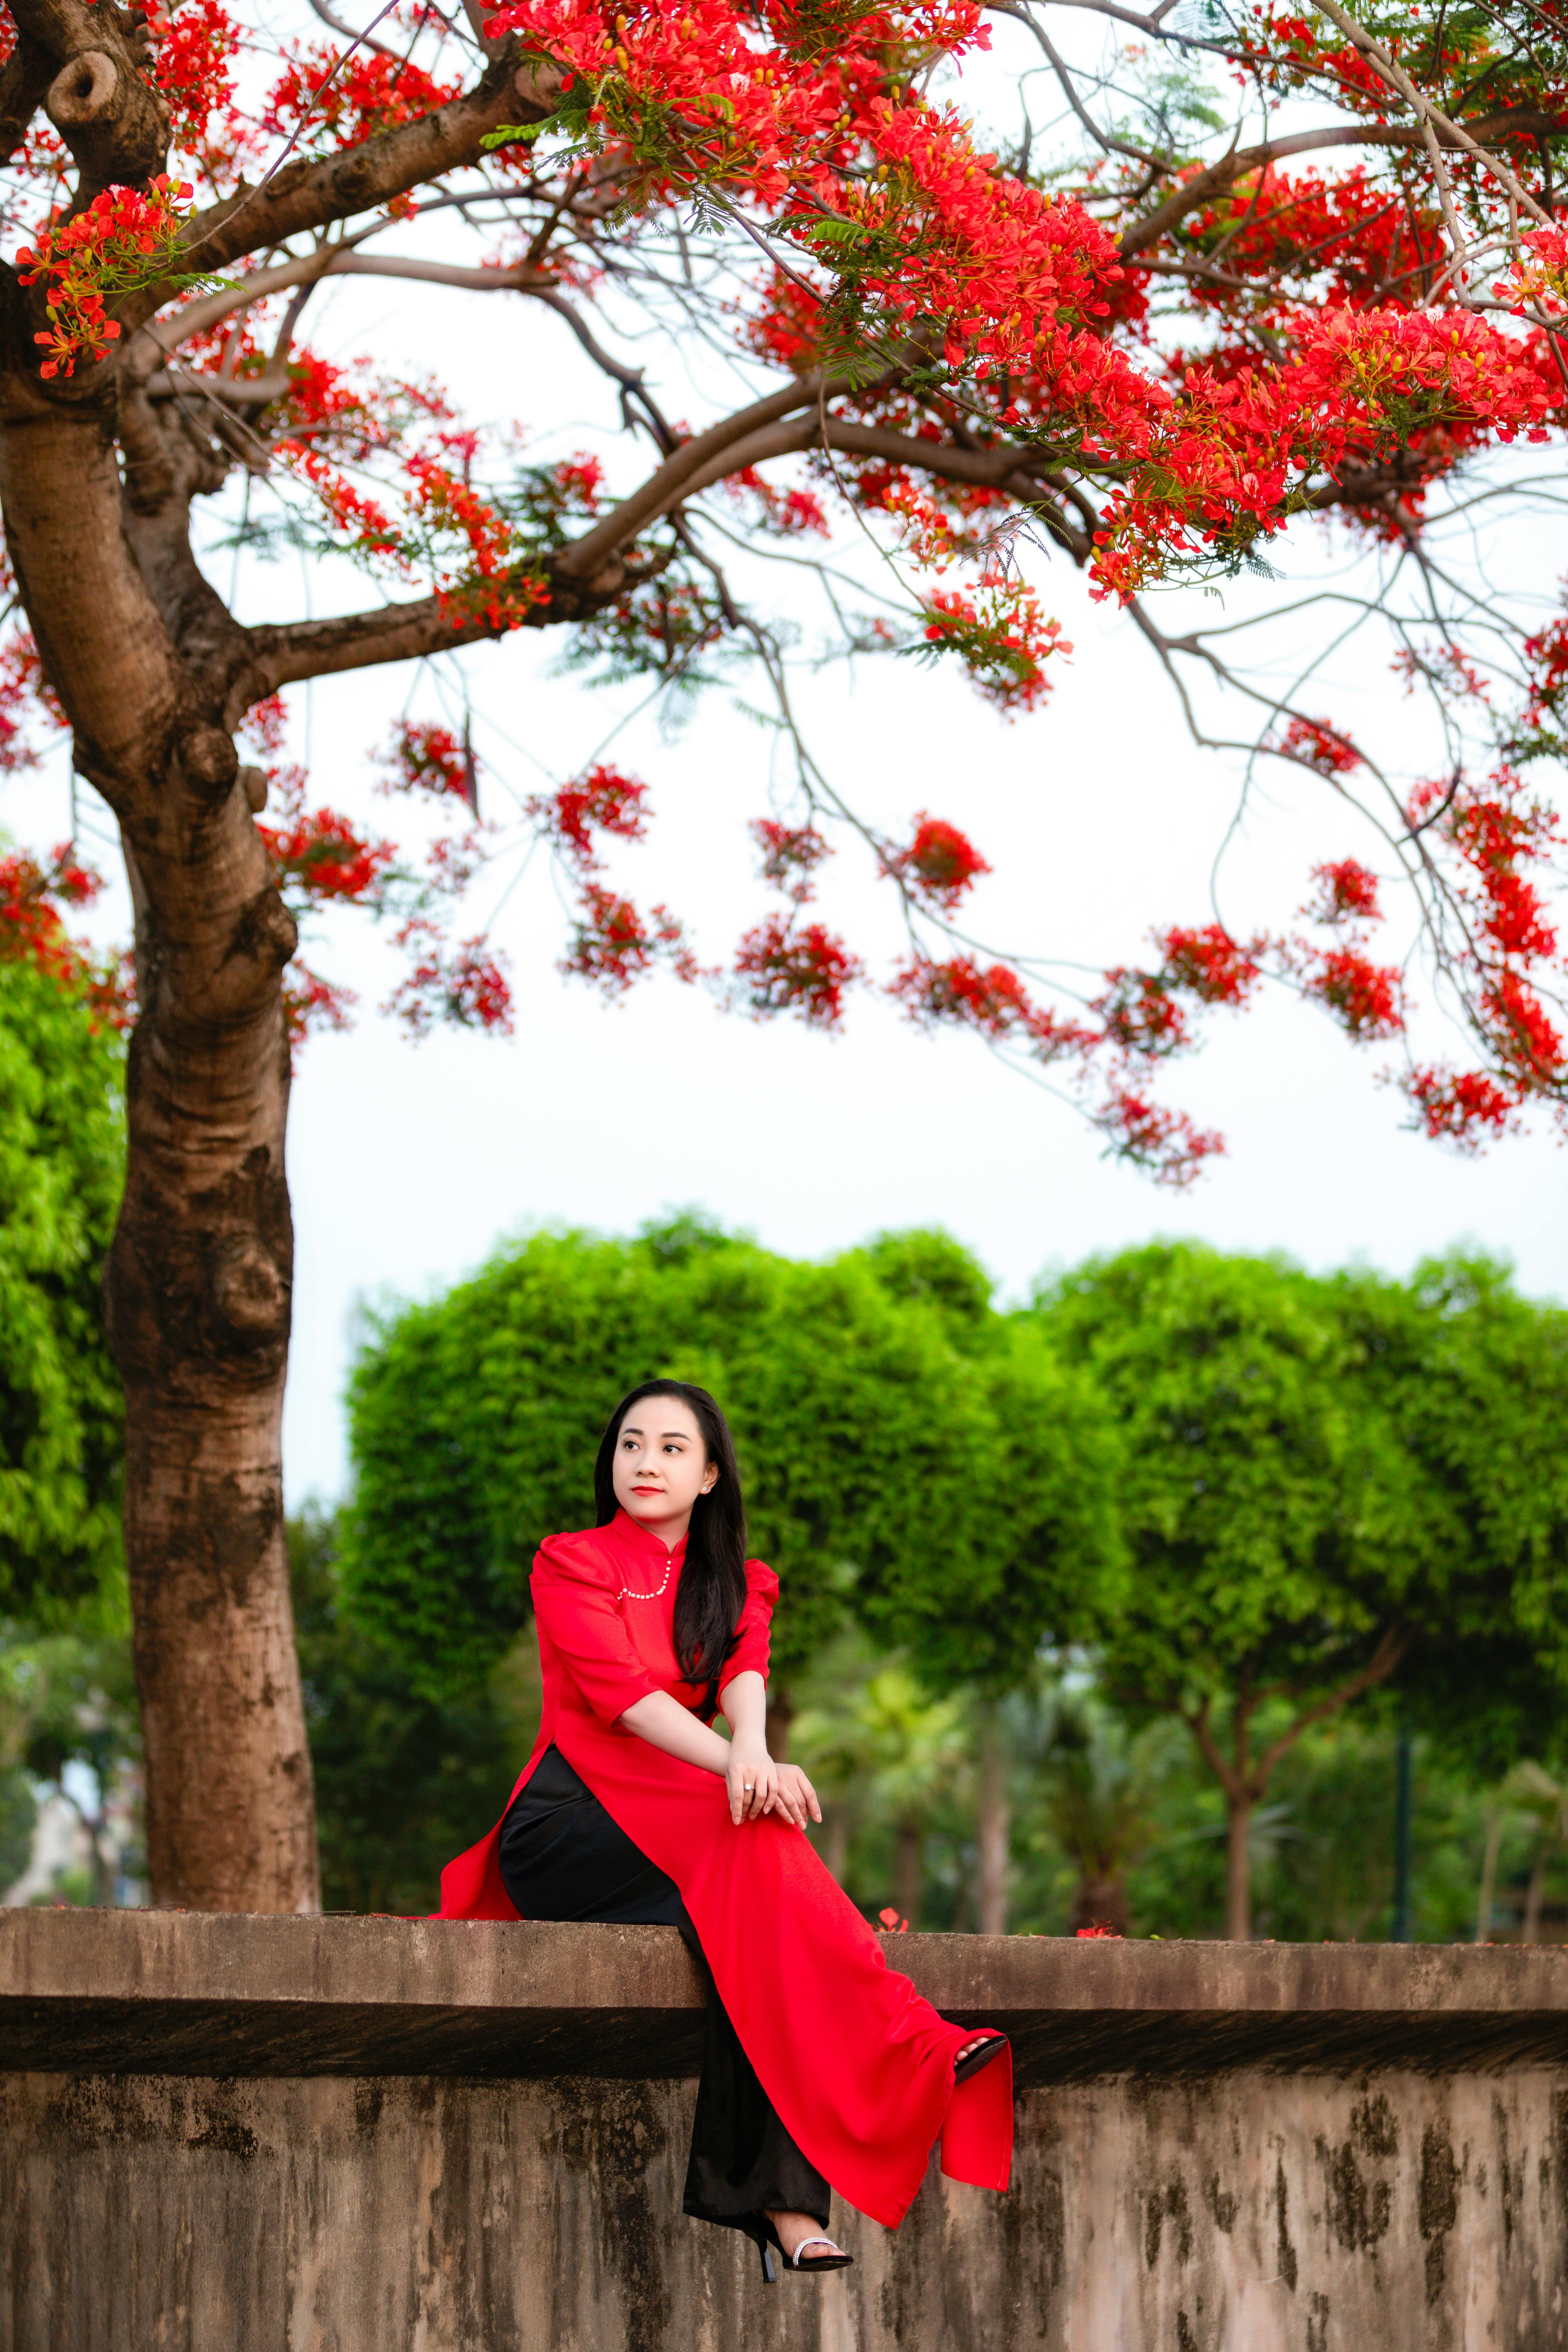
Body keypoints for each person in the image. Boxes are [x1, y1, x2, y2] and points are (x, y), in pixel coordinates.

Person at [437, 1378, 1013, 2282]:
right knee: (756, 1841)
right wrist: (736, 1769)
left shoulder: (740, 1584)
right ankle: (916, 2046)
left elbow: (746, 1675)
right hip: (569, 1829)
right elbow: (625, 1703)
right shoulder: (571, 1562)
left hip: (679, 1830)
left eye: (672, 1448)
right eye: (632, 1444)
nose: (647, 1463)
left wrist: (752, 1742)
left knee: (750, 1941)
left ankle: (786, 2207)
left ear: (709, 1475)